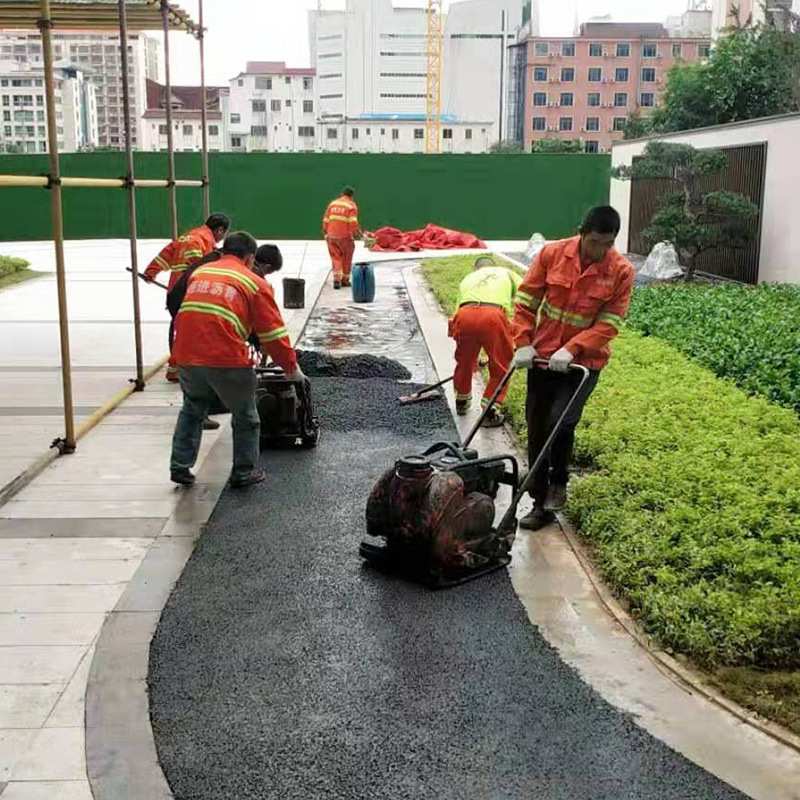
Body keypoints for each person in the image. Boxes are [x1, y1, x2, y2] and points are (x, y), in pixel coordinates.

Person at [511, 206, 634, 531]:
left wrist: (573, 348)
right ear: (581, 232)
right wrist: (522, 341)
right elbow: (526, 301)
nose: (599, 251)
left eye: (606, 244)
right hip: (542, 357)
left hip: (583, 363)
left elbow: (610, 323)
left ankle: (558, 483)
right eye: (594, 242)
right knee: (537, 425)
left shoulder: (620, 270)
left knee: (561, 423)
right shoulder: (552, 254)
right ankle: (539, 499)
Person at [169, 232, 303, 489]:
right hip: (225, 358)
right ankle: (244, 471)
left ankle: (180, 466)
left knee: (192, 408)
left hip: (185, 354)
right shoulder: (254, 283)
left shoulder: (202, 273)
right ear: (251, 257)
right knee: (245, 415)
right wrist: (291, 367)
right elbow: (273, 334)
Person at [145, 213, 231, 382]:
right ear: (220, 230)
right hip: (187, 293)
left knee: (182, 330)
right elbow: (198, 268)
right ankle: (177, 368)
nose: (222, 238)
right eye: (224, 234)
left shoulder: (188, 237)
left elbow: (166, 254)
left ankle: (179, 366)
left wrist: (151, 272)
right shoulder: (199, 240)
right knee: (187, 332)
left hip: (175, 293)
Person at [450, 256, 522, 428]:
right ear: (493, 266)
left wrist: (472, 355)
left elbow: (455, 318)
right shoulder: (506, 272)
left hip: (465, 314)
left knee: (464, 361)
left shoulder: (467, 279)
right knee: (501, 364)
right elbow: (527, 295)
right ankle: (490, 410)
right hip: (493, 315)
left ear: (476, 270)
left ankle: (461, 401)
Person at [322, 186, 360, 290]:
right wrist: (358, 234)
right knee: (347, 257)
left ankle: (336, 279)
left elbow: (325, 220)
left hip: (331, 236)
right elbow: (353, 223)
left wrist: (326, 232)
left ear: (342, 194)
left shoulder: (333, 204)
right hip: (345, 237)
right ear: (351, 196)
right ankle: (345, 280)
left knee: (335, 257)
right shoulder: (351, 206)